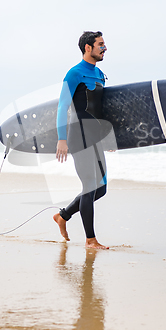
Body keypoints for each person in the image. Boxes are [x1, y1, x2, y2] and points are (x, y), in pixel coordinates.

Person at [53, 31, 110, 249]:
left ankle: (63, 216)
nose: (104, 48)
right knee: (89, 187)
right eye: (101, 44)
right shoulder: (74, 74)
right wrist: (62, 139)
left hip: (96, 136)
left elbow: (102, 110)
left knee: (101, 188)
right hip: (79, 135)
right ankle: (90, 240)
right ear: (88, 47)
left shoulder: (100, 74)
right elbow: (62, 106)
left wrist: (108, 137)